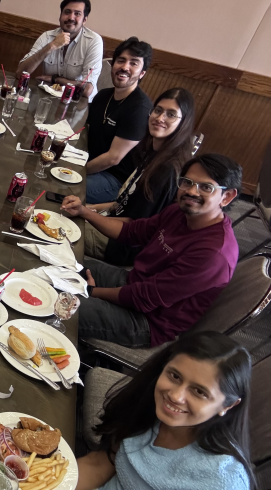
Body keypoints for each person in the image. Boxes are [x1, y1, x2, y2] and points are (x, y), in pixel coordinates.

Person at [61, 154, 241, 348]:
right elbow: (131, 232)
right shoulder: (178, 212)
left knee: (61, 305)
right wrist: (84, 212)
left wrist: (91, 291)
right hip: (133, 284)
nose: (191, 191)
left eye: (206, 187)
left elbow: (144, 297)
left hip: (148, 321)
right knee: (61, 264)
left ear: (227, 196)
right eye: (187, 182)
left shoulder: (213, 253)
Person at [73, 332, 254, 490]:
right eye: (175, 376)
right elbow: (100, 464)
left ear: (228, 406)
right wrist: (50, 488)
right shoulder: (150, 407)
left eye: (199, 392)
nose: (175, 396)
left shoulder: (220, 483)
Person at [78, 88, 196, 265]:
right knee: (63, 206)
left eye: (171, 115)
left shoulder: (166, 171)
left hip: (121, 244)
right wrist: (89, 207)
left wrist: (85, 213)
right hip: (115, 223)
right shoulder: (155, 151)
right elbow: (123, 204)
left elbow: (134, 226)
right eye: (158, 110)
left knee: (62, 223)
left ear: (183, 123)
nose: (160, 118)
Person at [85, 37, 153, 204]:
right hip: (91, 163)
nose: (124, 67)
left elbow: (113, 158)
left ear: (142, 73)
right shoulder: (103, 96)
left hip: (115, 180)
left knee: (63, 187)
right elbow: (85, 130)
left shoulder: (140, 108)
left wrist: (78, 171)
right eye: (121, 61)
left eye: (133, 63)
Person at [17, 0, 102, 101]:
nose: (71, 17)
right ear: (60, 16)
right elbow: (20, 73)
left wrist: (56, 79)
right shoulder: (47, 37)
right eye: (67, 12)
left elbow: (87, 90)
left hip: (78, 103)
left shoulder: (93, 41)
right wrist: (51, 46)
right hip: (49, 99)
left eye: (77, 14)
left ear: (84, 19)